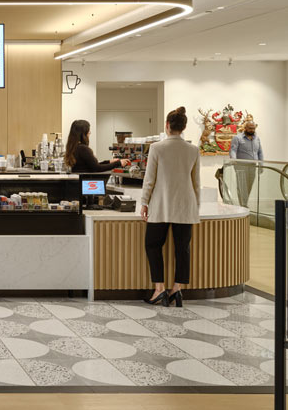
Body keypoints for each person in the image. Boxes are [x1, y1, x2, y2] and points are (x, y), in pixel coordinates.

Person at [140, 107, 201, 308]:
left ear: (167, 125)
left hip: (161, 205)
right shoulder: (193, 150)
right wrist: (196, 206)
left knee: (152, 244)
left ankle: (159, 289)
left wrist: (144, 202)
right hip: (186, 204)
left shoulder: (157, 148)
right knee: (182, 249)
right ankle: (177, 289)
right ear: (183, 128)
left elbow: (150, 180)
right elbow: (196, 183)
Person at [63, 119, 131, 172]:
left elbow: (92, 165)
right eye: (88, 131)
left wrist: (109, 162)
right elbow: (97, 168)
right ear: (83, 133)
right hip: (86, 182)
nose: (90, 133)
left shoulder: (75, 147)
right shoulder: (83, 148)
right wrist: (118, 163)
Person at [229, 120, 263, 205]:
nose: (252, 130)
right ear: (245, 128)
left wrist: (261, 165)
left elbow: (260, 152)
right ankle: (243, 204)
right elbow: (233, 150)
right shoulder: (237, 138)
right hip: (241, 166)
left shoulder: (257, 139)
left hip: (253, 166)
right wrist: (234, 160)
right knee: (242, 186)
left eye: (253, 128)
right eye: (250, 128)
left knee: (249, 186)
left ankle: (245, 203)